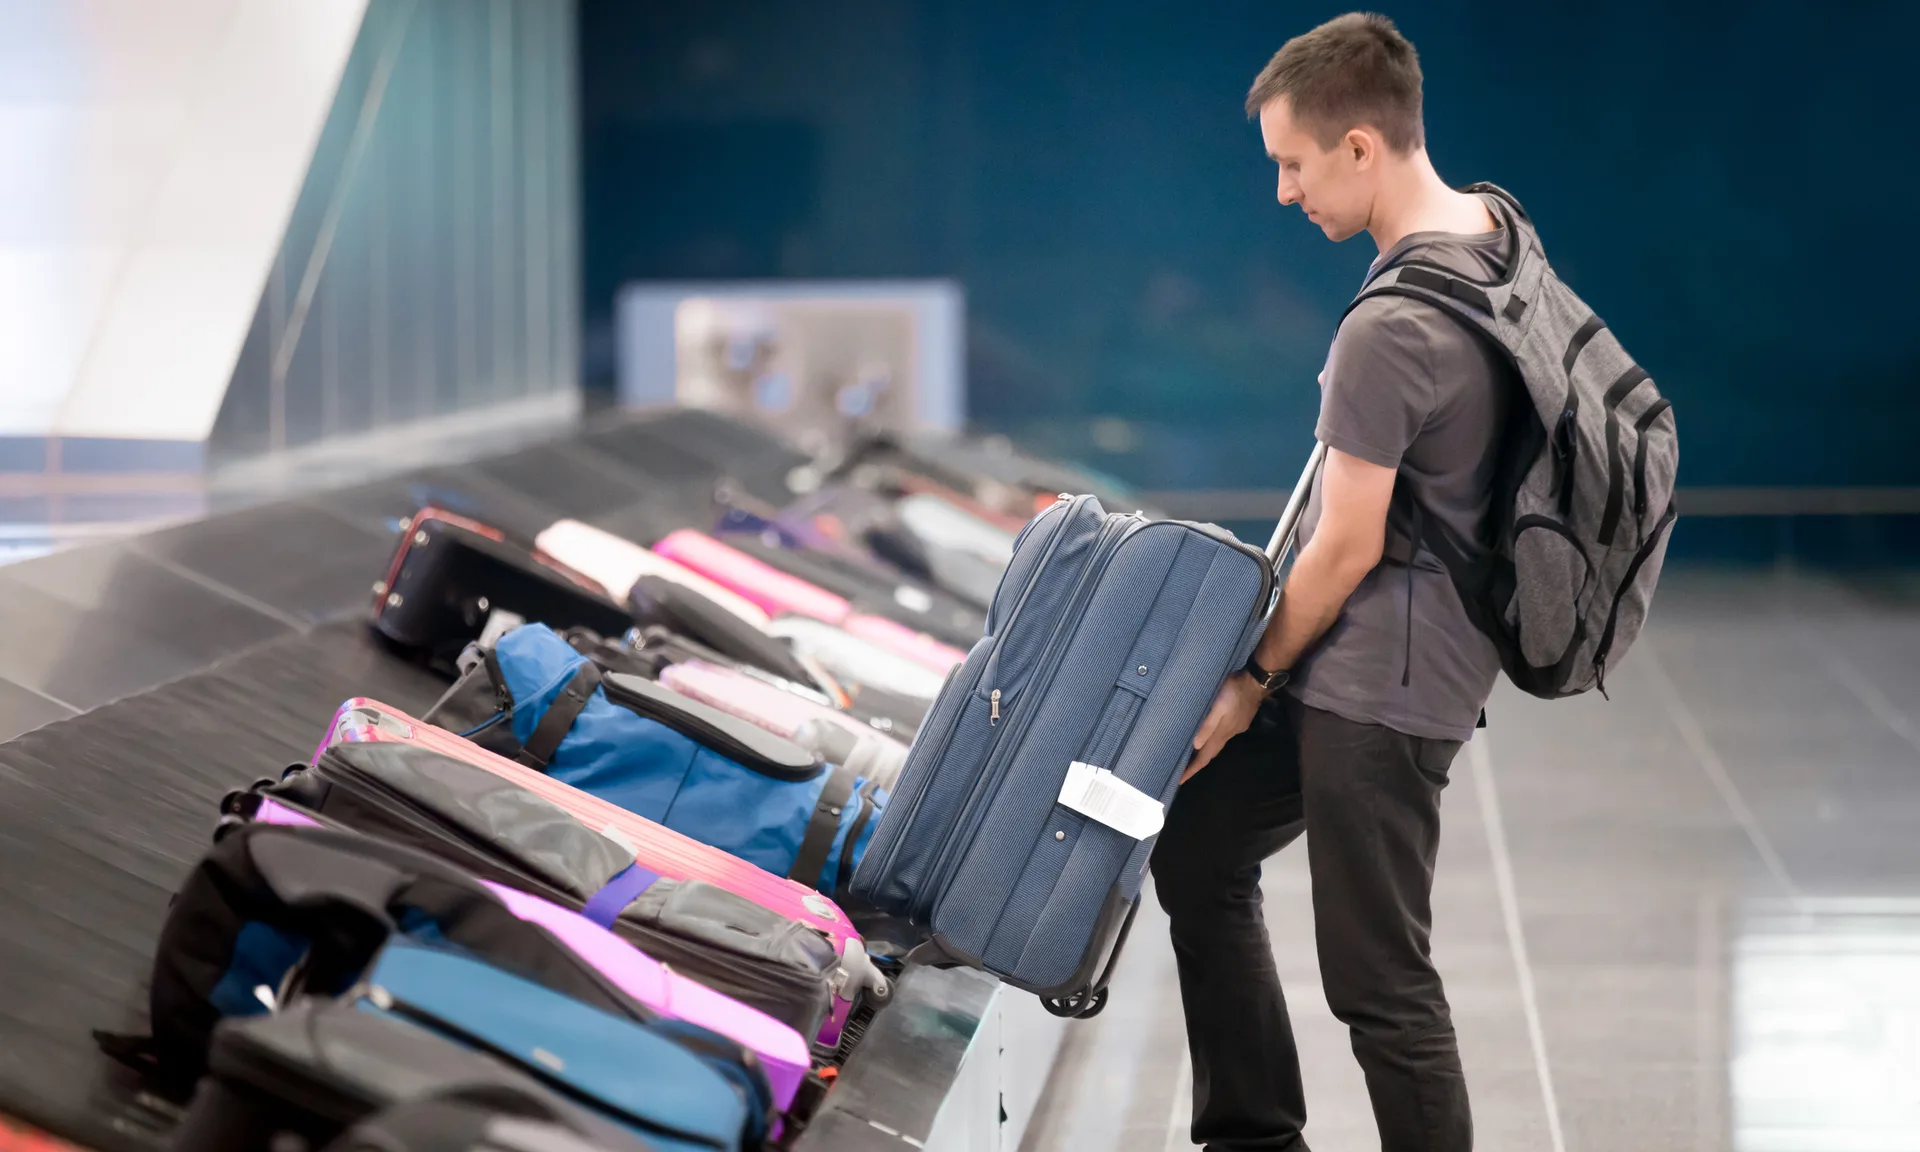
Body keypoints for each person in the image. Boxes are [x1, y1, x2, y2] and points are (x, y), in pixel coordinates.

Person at [1150, 13, 1515, 1151]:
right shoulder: (1495, 233)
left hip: (1381, 688)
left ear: (1362, 147)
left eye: (1292, 164)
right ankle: (1253, 1134)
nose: (1282, 192)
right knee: (1199, 843)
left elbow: (1346, 545)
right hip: (1376, 653)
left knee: (1378, 981)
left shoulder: (1391, 328)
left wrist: (1250, 678)